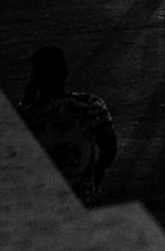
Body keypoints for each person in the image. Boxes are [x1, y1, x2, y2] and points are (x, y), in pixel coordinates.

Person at [17, 46, 117, 206]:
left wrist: (26, 102)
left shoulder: (28, 118)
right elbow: (109, 149)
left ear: (35, 79)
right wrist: (99, 170)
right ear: (65, 72)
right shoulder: (91, 107)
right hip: (83, 199)